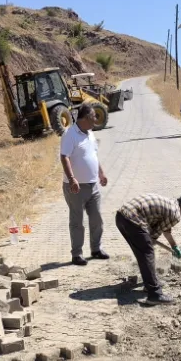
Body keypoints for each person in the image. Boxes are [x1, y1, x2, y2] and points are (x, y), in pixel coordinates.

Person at [115, 193, 181, 305]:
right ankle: (155, 294)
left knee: (143, 254)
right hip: (133, 220)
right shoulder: (176, 214)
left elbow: (166, 230)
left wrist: (174, 246)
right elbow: (155, 234)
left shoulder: (172, 204)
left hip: (121, 217)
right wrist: (149, 245)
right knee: (147, 253)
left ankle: (150, 284)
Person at [60, 104, 109, 266]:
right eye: (94, 116)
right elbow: (64, 157)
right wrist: (72, 178)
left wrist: (101, 173)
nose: (96, 119)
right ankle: (77, 254)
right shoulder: (70, 134)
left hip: (93, 185)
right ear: (86, 118)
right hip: (76, 187)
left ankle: (96, 249)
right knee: (77, 222)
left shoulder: (90, 134)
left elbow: (93, 155)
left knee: (96, 219)